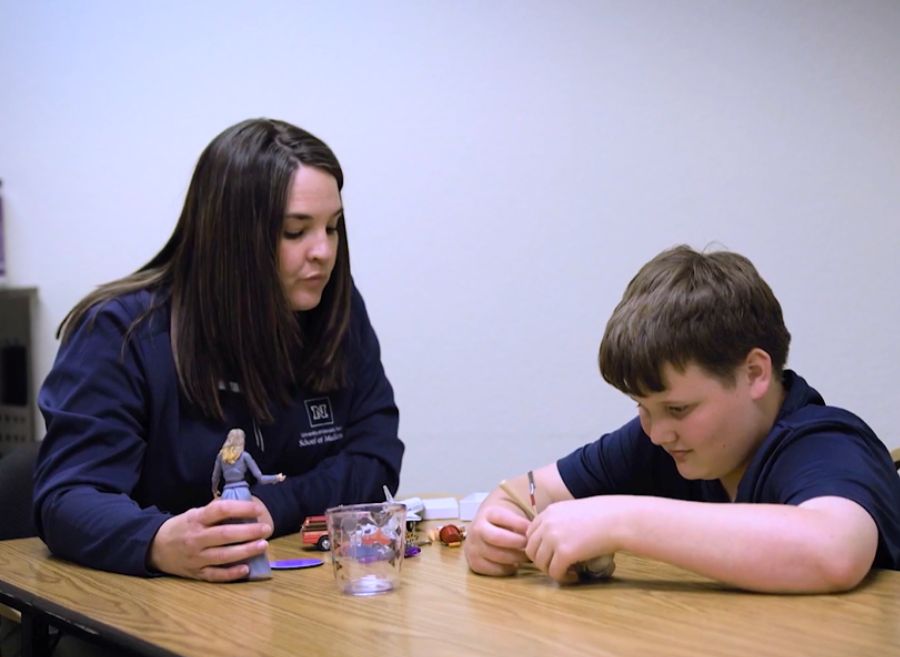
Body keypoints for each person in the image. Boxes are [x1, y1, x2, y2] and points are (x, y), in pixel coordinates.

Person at [33, 118, 405, 582]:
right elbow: (68, 497)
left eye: (332, 228)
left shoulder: (335, 310)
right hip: (155, 607)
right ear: (231, 239)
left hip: (298, 594)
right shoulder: (119, 331)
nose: (323, 252)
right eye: (295, 231)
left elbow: (375, 454)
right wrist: (156, 541)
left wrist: (275, 507)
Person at [465, 245, 900, 593]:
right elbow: (525, 494)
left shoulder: (828, 443)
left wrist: (620, 521)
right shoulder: (661, 437)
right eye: (641, 408)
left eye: (677, 409)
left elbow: (834, 553)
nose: (655, 433)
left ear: (754, 373)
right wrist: (496, 527)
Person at [211, 428, 286, 580]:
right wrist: (276, 478)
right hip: (243, 494)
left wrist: (214, 492)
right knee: (250, 533)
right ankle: (256, 570)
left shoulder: (221, 456)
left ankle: (230, 567)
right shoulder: (245, 456)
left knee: (230, 533)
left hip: (227, 495)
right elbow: (260, 477)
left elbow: (215, 478)